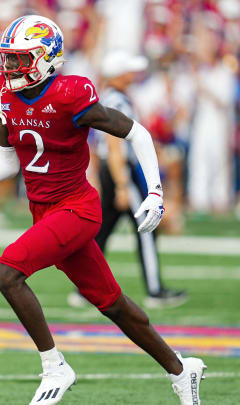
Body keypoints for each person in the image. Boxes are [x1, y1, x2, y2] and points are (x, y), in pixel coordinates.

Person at [0, 15, 205, 405]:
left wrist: (154, 191)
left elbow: (137, 133)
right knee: (113, 304)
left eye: (19, 59)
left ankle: (54, 365)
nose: (9, 68)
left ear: (47, 58)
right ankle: (182, 370)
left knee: (7, 273)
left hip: (77, 208)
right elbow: (8, 163)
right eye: (8, 59)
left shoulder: (71, 94)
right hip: (44, 210)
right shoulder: (1, 94)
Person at [67, 50, 187, 309]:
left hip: (112, 170)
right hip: (120, 170)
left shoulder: (107, 98)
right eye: (129, 70)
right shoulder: (116, 101)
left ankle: (84, 289)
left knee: (102, 231)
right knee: (146, 227)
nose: (133, 74)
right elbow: (114, 143)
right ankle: (155, 290)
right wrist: (122, 183)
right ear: (119, 74)